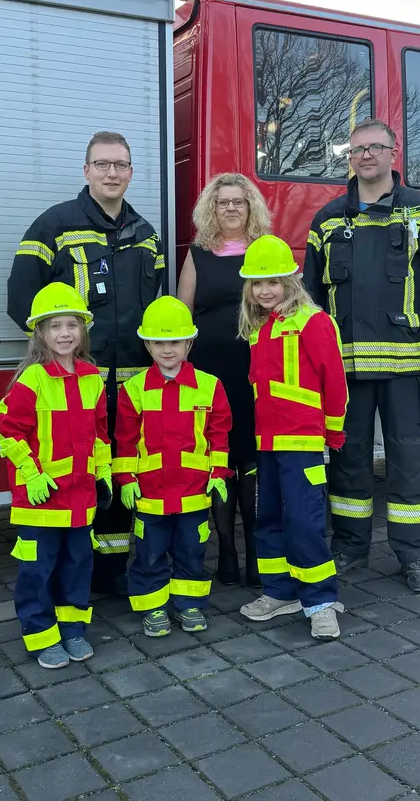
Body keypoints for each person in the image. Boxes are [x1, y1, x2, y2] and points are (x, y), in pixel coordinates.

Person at [301, 118, 420, 594]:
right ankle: (350, 549)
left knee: (409, 462)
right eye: (356, 149)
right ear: (348, 158)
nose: (365, 156)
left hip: (404, 366)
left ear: (394, 154)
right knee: (349, 460)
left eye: (375, 147)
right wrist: (310, 359)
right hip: (345, 371)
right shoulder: (328, 219)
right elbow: (310, 296)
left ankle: (413, 555)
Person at [6, 131, 164, 596]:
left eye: (120, 165)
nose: (111, 173)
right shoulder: (53, 225)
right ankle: (66, 574)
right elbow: (22, 302)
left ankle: (109, 575)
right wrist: (61, 356)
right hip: (75, 385)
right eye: (102, 164)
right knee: (71, 474)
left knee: (117, 471)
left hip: (132, 383)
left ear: (131, 172)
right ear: (86, 171)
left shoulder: (146, 234)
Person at [0, 284, 113, 669]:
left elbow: (100, 434)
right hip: (41, 502)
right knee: (38, 571)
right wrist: (31, 475)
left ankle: (73, 630)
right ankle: (41, 636)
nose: (64, 333)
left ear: (83, 330)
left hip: (80, 499)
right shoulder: (32, 381)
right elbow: (6, 430)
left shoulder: (93, 378)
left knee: (78, 566)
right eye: (55, 326)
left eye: (72, 325)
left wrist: (104, 474)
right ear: (40, 333)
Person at [235, 236, 349, 640]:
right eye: (257, 283)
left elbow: (334, 382)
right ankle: (280, 592)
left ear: (291, 281)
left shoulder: (314, 322)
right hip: (266, 443)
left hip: (302, 443)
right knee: (268, 518)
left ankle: (320, 601)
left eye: (274, 281)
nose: (265, 290)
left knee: (304, 521)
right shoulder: (260, 328)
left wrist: (333, 432)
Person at [112, 296, 233, 637]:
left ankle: (190, 605)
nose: (168, 349)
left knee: (191, 552)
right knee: (149, 554)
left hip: (194, 494)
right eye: (159, 342)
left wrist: (219, 474)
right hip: (150, 494)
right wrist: (126, 478)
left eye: (175, 342)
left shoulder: (210, 386)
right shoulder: (133, 390)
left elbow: (219, 435)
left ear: (189, 342)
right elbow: (125, 439)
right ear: (147, 344)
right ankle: (153, 607)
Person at [176, 172, 271, 586]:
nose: (231, 208)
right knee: (219, 462)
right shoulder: (198, 254)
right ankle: (227, 556)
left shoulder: (266, 251)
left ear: (251, 207)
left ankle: (255, 553)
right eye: (222, 202)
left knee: (252, 462)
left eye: (238, 201)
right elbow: (183, 314)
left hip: (257, 373)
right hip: (210, 373)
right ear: (210, 209)